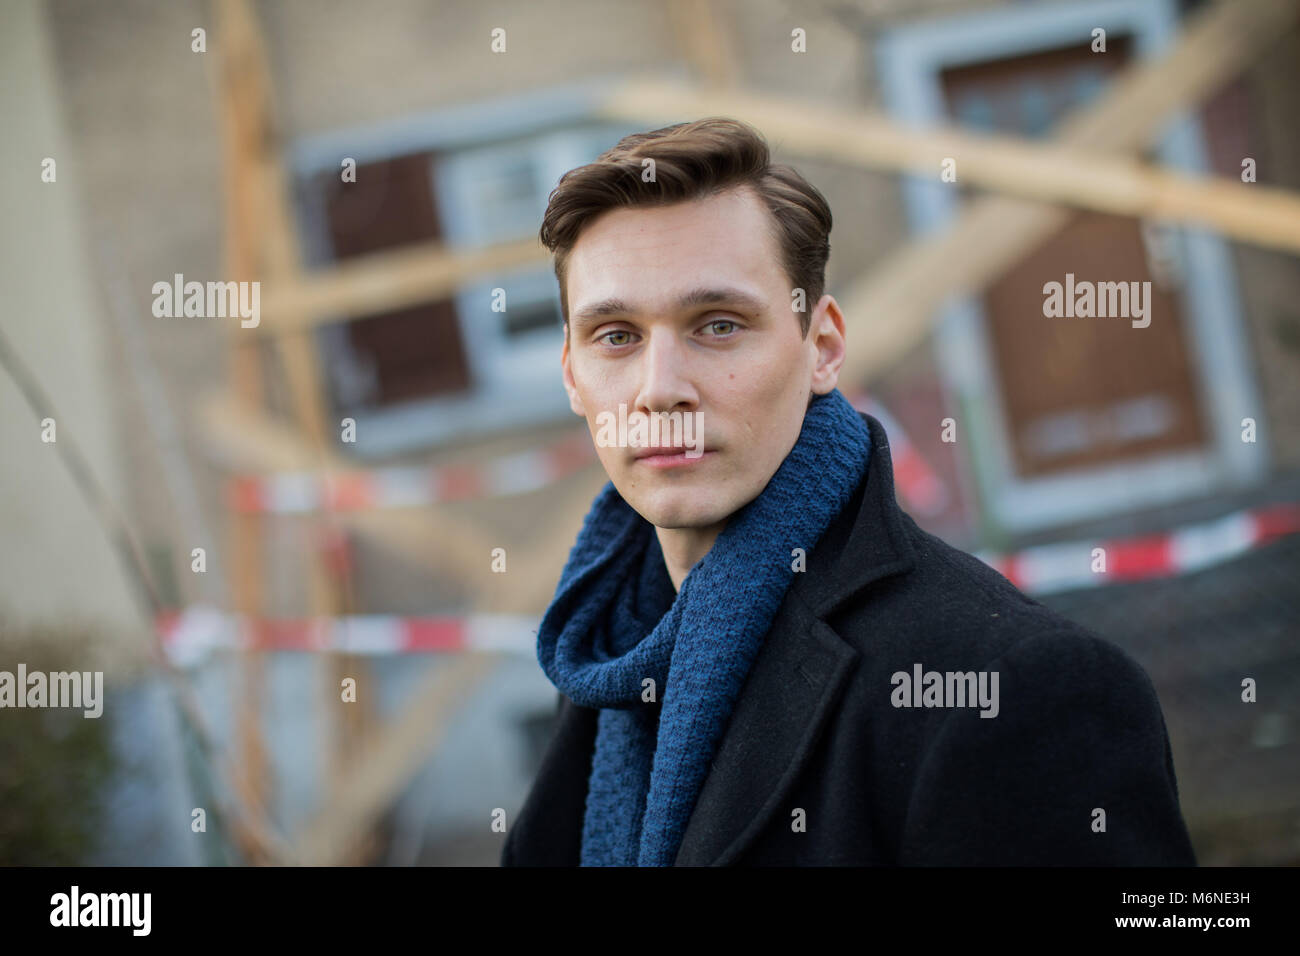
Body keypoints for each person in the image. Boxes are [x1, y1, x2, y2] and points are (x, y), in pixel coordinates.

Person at [500, 117, 1196, 867]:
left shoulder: (1018, 686)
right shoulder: (610, 648)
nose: (661, 389)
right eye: (616, 336)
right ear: (572, 373)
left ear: (822, 346)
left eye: (719, 325)